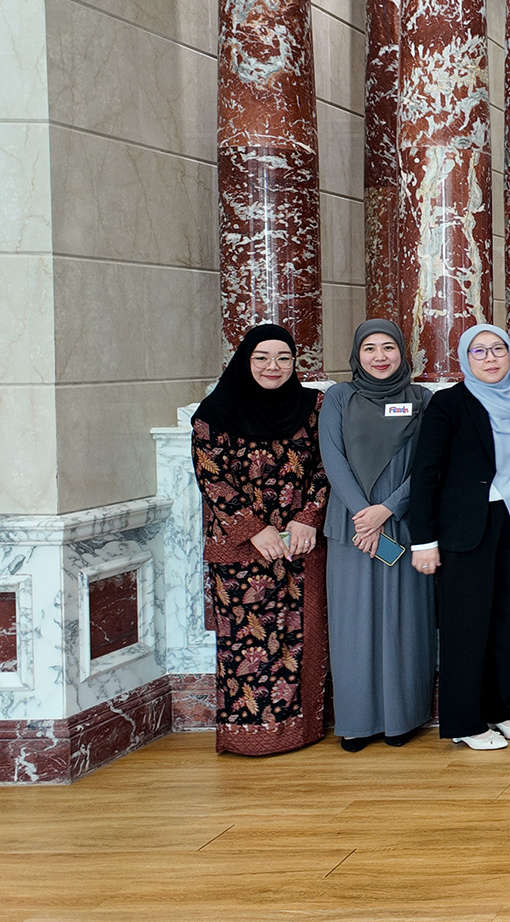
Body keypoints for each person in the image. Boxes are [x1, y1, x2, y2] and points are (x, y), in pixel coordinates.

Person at [190, 324, 329, 756]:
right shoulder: (213, 414)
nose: (274, 367)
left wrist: (309, 517)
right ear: (244, 362)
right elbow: (212, 480)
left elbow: (329, 466)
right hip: (240, 550)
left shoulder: (314, 407)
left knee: (300, 637)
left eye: (284, 358)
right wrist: (255, 529)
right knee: (246, 645)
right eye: (262, 358)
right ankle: (251, 738)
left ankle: (302, 732)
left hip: (301, 544)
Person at [409, 324, 510, 750]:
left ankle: (502, 711)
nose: (490, 359)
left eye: (498, 350)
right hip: (465, 527)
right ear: (465, 360)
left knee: (506, 621)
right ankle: (465, 723)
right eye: (479, 352)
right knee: (466, 626)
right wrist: (423, 541)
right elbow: (426, 474)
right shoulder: (448, 403)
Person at [315, 320, 434, 750]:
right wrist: (363, 515)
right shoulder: (338, 397)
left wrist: (387, 510)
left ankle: (403, 718)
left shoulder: (422, 399)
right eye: (370, 348)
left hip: (401, 521)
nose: (380, 356)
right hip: (351, 526)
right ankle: (357, 721)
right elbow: (333, 457)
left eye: (389, 347)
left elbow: (427, 464)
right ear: (357, 354)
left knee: (405, 622)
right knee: (353, 626)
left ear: (403, 352)